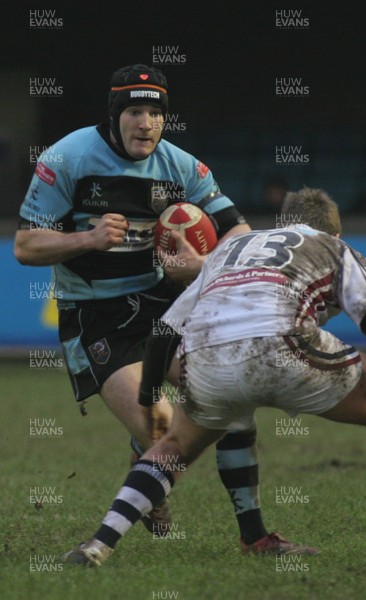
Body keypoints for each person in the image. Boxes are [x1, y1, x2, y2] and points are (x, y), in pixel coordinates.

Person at [62, 186, 366, 566]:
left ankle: (98, 544)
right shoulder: (334, 246)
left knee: (175, 446)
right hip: (283, 346)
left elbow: (163, 333)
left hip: (206, 358)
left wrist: (147, 397)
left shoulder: (231, 250)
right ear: (334, 228)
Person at [14, 64, 315, 555]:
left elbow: (238, 231)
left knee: (232, 403)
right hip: (96, 315)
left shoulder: (182, 168)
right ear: (115, 116)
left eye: (156, 113)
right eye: (135, 112)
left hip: (164, 307)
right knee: (161, 428)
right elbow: (25, 245)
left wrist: (203, 265)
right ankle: (147, 457)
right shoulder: (65, 158)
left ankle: (255, 538)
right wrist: (86, 238)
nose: (146, 124)